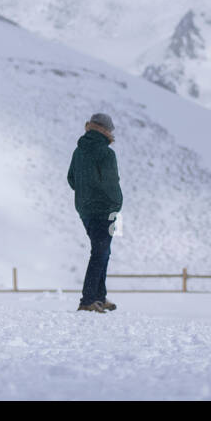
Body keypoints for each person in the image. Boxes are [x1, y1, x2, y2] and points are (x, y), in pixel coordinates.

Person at [66, 112, 122, 313]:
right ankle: (88, 300)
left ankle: (99, 297)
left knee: (102, 252)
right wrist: (116, 205)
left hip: (85, 210)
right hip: (105, 210)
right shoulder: (106, 153)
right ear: (105, 130)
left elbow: (72, 179)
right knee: (100, 253)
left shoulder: (78, 151)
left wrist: (85, 193)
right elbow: (111, 184)